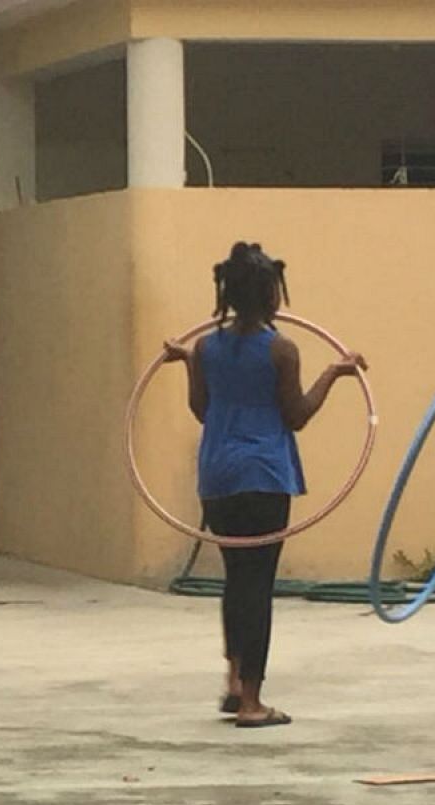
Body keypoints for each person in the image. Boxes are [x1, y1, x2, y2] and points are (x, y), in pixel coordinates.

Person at [163, 242, 365, 728]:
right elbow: (295, 416)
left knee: (236, 578)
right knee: (257, 585)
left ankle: (234, 681)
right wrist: (334, 374)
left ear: (228, 294)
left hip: (217, 475)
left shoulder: (207, 347)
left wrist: (190, 362)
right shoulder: (281, 348)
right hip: (263, 475)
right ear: (271, 294)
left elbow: (202, 411)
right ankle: (252, 703)